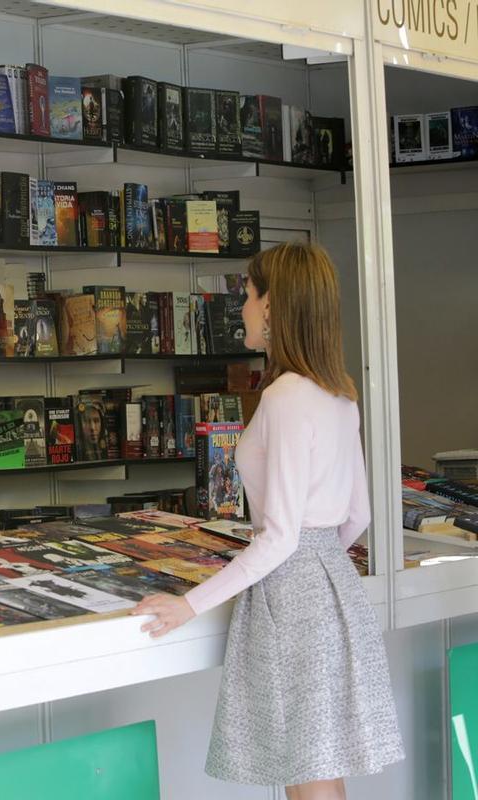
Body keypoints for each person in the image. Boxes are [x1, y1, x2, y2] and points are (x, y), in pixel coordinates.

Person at [130, 243, 404, 797]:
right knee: (320, 768)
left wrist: (189, 605)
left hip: (291, 598)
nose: (244, 309)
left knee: (305, 776)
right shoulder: (340, 397)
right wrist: (318, 552)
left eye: (249, 296)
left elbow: (278, 538)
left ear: (274, 305)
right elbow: (359, 515)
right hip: (333, 589)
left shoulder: (282, 398)